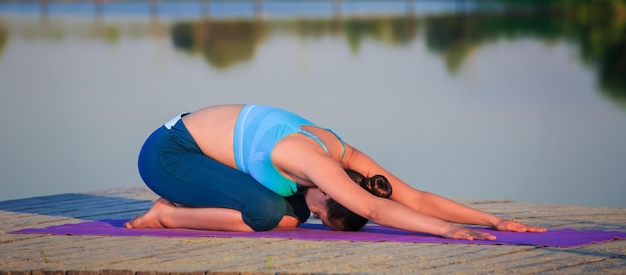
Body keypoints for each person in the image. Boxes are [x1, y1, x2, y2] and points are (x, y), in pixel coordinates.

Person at [125, 104, 546, 240]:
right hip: (169, 152)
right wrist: (449, 232)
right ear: (329, 193)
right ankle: (165, 214)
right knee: (267, 213)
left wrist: (493, 220)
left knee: (288, 215)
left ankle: (179, 206)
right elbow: (375, 211)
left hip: (208, 154)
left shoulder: (346, 155)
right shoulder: (310, 160)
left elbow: (412, 197)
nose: (316, 218)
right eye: (326, 215)